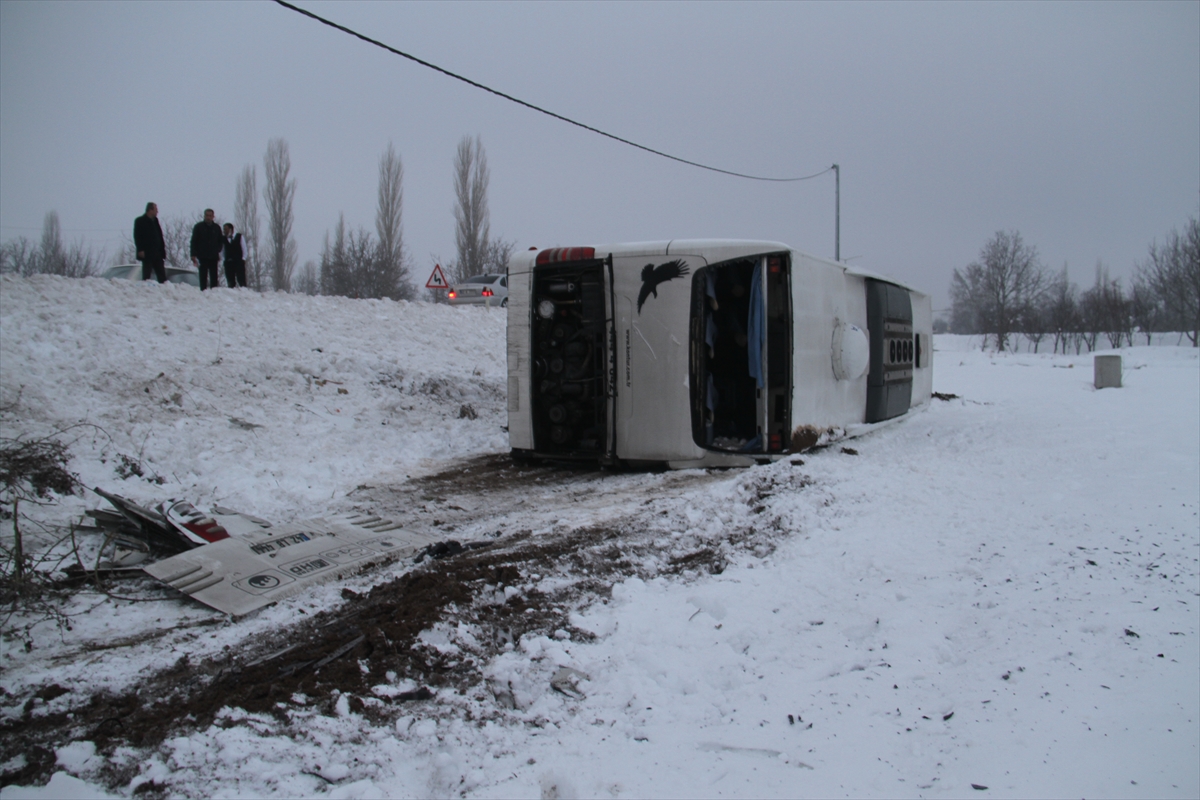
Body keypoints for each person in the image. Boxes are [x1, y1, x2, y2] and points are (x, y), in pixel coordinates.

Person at [190, 208, 224, 290]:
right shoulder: (198, 227)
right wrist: (193, 254)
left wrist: (218, 249)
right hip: (202, 255)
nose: (208, 217)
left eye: (210, 216)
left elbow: (220, 240)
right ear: (204, 216)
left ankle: (214, 291)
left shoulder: (216, 228)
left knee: (214, 276)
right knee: (203, 275)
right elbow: (194, 241)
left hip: (213, 256)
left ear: (213, 217)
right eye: (207, 215)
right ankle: (203, 291)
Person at [133, 202, 166, 283]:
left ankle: (164, 289)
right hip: (147, 253)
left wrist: (163, 251)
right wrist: (140, 249)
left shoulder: (155, 221)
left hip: (157, 252)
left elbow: (160, 236)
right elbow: (137, 236)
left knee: (162, 276)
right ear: (150, 210)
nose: (157, 212)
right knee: (147, 275)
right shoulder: (140, 221)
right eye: (156, 210)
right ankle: (145, 290)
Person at [222, 223, 248, 288]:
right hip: (228, 263)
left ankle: (244, 292)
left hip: (238, 262)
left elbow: (244, 248)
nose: (224, 231)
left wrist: (243, 259)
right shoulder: (223, 239)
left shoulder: (239, 237)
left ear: (230, 229)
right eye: (224, 229)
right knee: (230, 281)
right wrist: (224, 260)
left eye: (226, 229)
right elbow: (222, 251)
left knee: (241, 280)